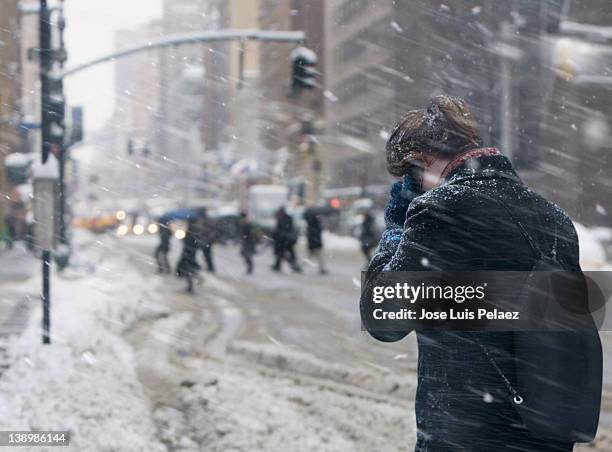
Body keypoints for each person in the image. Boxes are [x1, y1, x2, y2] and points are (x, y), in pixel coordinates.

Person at [362, 95, 585, 451]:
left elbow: (383, 321)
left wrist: (395, 229)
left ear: (423, 161)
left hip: (465, 433)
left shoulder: (438, 211)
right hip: (545, 429)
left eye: (409, 174)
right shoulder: (554, 218)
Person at [271, 207, 301, 273]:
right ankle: (293, 265)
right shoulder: (288, 218)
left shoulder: (280, 219)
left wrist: (275, 235)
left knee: (281, 254)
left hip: (283, 240)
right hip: (288, 239)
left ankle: (279, 266)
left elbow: (278, 230)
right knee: (288, 253)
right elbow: (291, 228)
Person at [176, 218, 202, 293]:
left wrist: (183, 237)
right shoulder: (196, 230)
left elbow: (187, 241)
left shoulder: (190, 231)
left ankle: (191, 286)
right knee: (189, 269)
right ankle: (193, 281)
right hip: (191, 253)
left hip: (188, 253)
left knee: (188, 269)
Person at [304, 210, 327, 274]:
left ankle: (321, 268)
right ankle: (321, 268)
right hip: (315, 244)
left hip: (314, 243)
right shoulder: (314, 226)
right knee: (315, 256)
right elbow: (313, 236)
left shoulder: (311, 225)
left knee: (312, 256)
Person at [194, 209, 216, 273]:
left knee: (206, 254)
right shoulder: (207, 220)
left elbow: (202, 231)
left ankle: (210, 267)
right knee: (207, 255)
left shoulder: (201, 221)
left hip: (205, 240)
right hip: (206, 240)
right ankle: (210, 267)